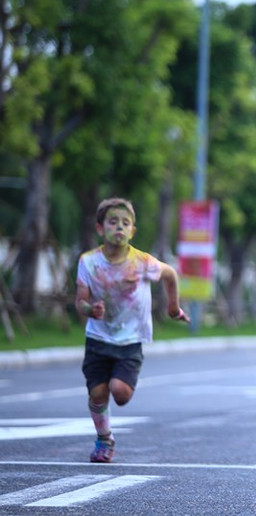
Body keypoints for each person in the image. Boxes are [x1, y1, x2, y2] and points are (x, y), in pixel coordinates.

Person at [75, 197, 189, 463]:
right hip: (98, 338)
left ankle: (116, 394)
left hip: (130, 340)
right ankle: (104, 438)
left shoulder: (142, 262)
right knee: (97, 393)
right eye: (113, 222)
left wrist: (173, 308)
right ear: (100, 228)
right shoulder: (88, 262)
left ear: (132, 231)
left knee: (120, 392)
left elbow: (171, 275)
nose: (119, 227)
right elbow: (80, 300)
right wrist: (90, 309)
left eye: (125, 223)